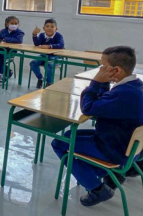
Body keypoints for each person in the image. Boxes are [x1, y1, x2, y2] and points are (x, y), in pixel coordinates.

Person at [52, 46, 143, 207]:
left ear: (115, 70)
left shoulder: (124, 94)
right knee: (67, 136)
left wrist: (96, 82)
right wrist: (103, 83)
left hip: (115, 150)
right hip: (128, 145)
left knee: (59, 143)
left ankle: (97, 188)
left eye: (102, 66)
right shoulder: (135, 86)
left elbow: (88, 107)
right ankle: (106, 173)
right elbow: (103, 102)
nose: (99, 69)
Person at [30, 18, 64, 88]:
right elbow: (37, 44)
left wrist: (49, 46)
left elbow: (61, 45)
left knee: (49, 65)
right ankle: (40, 78)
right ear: (44, 28)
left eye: (52, 27)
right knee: (33, 63)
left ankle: (49, 83)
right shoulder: (42, 35)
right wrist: (34, 35)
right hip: (44, 56)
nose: (49, 28)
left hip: (55, 57)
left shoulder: (58, 36)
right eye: (47, 26)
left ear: (56, 29)